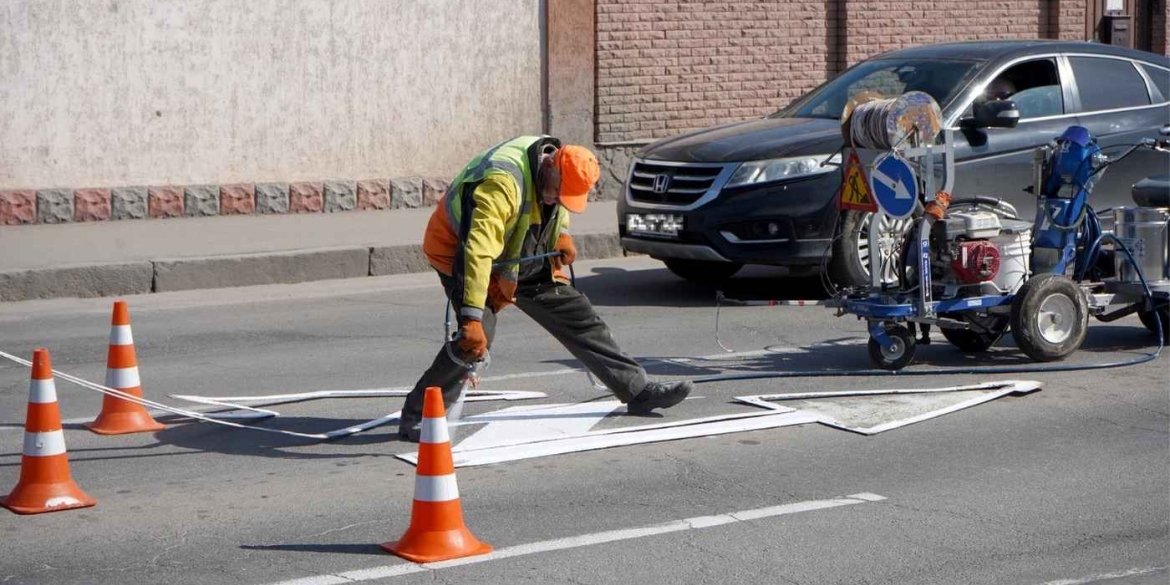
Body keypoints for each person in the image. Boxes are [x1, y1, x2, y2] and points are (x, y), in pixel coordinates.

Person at [398, 135, 693, 441]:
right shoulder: (501, 183)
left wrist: (561, 234)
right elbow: (478, 252)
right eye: (556, 192)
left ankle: (637, 390)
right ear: (549, 167)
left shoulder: (553, 165)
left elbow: (558, 204)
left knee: (576, 313)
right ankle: (419, 415)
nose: (556, 200)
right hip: (460, 252)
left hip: (514, 249)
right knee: (475, 339)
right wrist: (471, 317)